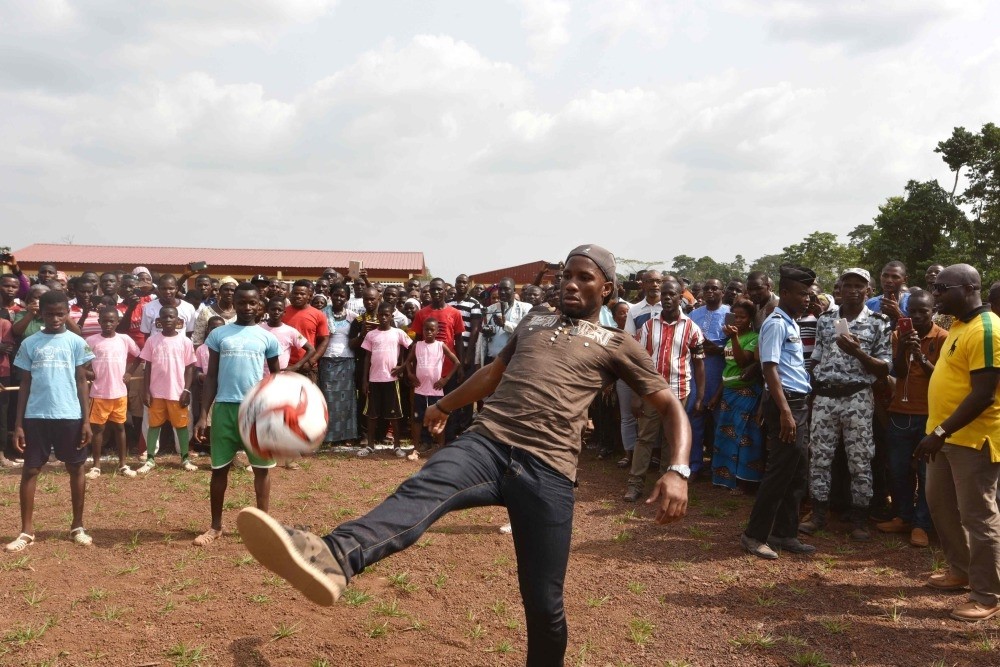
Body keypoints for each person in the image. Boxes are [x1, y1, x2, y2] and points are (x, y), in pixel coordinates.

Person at [236, 245, 691, 666]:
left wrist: (678, 469)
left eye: (584, 278)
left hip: (549, 470)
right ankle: (334, 555)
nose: (570, 284)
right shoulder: (533, 323)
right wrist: (444, 404)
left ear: (606, 288)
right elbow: (494, 372)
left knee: (543, 600)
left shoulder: (617, 344)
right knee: (422, 488)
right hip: (487, 442)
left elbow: (670, 405)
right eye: (566, 275)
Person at [915, 264, 1000, 622]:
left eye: (941, 288)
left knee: (978, 517)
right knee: (942, 507)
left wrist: (939, 432)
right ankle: (960, 570)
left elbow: (982, 393)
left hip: (972, 440)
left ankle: (987, 594)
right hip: (944, 438)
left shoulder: (987, 330)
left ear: (969, 288)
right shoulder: (959, 327)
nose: (935, 294)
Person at [799, 268, 891, 541]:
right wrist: (809, 386)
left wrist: (857, 352)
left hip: (858, 397)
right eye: (847, 285)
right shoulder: (826, 319)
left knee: (860, 459)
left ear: (869, 291)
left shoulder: (879, 321)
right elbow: (817, 355)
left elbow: (885, 367)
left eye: (859, 286)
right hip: (826, 396)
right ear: (839, 288)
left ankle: (860, 518)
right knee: (820, 457)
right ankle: (818, 514)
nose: (852, 290)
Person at [5, 290, 96, 552]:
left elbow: (82, 381)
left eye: (60, 313)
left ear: (67, 313)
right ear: (39, 314)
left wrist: (86, 421)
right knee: (31, 470)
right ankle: (26, 531)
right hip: (36, 416)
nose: (55, 318)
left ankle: (77, 526)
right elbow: (25, 384)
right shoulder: (30, 343)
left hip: (70, 415)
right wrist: (19, 424)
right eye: (49, 314)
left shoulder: (76, 342)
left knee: (76, 468)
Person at [193, 283, 280, 547]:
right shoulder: (220, 334)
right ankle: (215, 526)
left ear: (259, 306)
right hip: (225, 408)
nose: (247, 307)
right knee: (219, 469)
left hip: (256, 409)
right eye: (242, 302)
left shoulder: (268, 338)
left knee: (261, 470)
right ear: (233, 303)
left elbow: (276, 378)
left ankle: (264, 527)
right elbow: (210, 378)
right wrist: (202, 414)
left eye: (252, 303)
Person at [741, 265, 817, 560]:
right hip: (786, 405)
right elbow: (769, 368)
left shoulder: (791, 322)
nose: (807, 299)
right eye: (802, 294)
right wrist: (785, 412)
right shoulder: (776, 323)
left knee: (797, 473)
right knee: (778, 473)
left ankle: (785, 533)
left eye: (809, 294)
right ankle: (754, 535)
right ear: (784, 293)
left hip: (798, 404)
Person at [875, 290, 947, 547]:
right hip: (900, 413)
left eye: (923, 311)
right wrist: (904, 348)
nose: (916, 316)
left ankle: (922, 524)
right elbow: (899, 372)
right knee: (898, 470)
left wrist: (920, 354)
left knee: (928, 475)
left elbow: (941, 376)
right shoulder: (897, 335)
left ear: (932, 311)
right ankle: (903, 516)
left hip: (930, 415)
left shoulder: (943, 337)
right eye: (912, 311)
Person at [624, 277, 704, 501]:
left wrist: (701, 396)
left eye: (672, 294)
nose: (667, 298)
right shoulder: (648, 327)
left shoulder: (692, 328)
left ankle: (664, 483)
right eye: (664, 294)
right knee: (645, 438)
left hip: (680, 393)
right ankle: (634, 484)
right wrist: (637, 395)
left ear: (681, 297)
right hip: (652, 392)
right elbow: (639, 363)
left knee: (672, 439)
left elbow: (699, 364)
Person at [709, 300, 763, 494]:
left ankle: (744, 482)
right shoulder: (730, 339)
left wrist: (734, 338)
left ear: (750, 319)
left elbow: (742, 363)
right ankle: (724, 478)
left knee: (744, 438)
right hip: (729, 393)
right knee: (725, 436)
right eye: (735, 316)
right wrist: (716, 395)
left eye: (743, 317)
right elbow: (727, 369)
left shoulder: (754, 338)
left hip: (746, 393)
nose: (738, 320)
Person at [137, 306, 198, 474]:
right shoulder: (152, 341)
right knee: (153, 425)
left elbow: (190, 368)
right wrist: (146, 390)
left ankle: (185, 458)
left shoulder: (185, 341)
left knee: (181, 425)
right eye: (164, 317)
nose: (168, 320)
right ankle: (150, 459)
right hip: (156, 392)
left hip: (177, 392)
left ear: (179, 321)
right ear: (159, 321)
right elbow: (147, 367)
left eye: (171, 317)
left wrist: (186, 390)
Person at [84, 308, 141, 479]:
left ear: (117, 322)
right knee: (98, 429)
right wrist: (88, 372)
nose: (108, 324)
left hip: (119, 392)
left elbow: (138, 355)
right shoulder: (91, 340)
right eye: (105, 321)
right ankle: (96, 466)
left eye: (112, 321)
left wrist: (130, 372)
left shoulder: (124, 339)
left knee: (119, 427)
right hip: (99, 393)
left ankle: (123, 464)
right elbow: (80, 362)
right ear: (99, 322)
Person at [358, 302, 412, 458]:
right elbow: (367, 358)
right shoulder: (371, 335)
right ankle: (370, 445)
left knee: (394, 415)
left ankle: (397, 446)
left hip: (391, 379)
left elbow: (412, 348)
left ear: (391, 316)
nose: (383, 317)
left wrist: (403, 366)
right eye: (380, 315)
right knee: (371, 414)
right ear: (377, 316)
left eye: (386, 315)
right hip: (374, 379)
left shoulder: (398, 333)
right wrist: (365, 380)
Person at [402, 317, 462, 457]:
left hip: (436, 390)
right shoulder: (417, 346)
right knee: (417, 419)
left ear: (437, 331)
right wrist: (410, 374)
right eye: (425, 329)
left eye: (431, 329)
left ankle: (440, 447)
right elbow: (408, 362)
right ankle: (415, 448)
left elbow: (456, 362)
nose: (428, 332)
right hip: (420, 390)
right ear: (422, 330)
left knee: (438, 419)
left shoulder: (441, 345)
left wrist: (445, 380)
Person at [688, 278, 730, 474]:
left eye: (715, 288)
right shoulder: (693, 314)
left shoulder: (729, 314)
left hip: (721, 372)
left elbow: (738, 345)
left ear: (723, 292)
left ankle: (719, 467)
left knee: (720, 422)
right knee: (694, 417)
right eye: (707, 288)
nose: (711, 291)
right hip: (696, 372)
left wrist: (719, 349)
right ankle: (694, 465)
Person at [320, 284, 359, 446]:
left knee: (347, 400)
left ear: (347, 298)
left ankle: (346, 435)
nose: (338, 298)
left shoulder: (353, 316)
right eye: (336, 295)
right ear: (330, 295)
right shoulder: (322, 315)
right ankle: (328, 436)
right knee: (327, 399)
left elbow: (356, 338)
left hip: (346, 360)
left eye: (342, 296)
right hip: (327, 359)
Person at [448, 274, 483, 433]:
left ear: (468, 285)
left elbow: (475, 330)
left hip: (468, 350)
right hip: (450, 352)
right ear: (455, 284)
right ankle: (452, 426)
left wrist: (468, 355)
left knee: (466, 390)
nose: (461, 285)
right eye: (459, 282)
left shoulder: (475, 304)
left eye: (464, 282)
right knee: (451, 389)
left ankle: (465, 426)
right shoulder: (448, 303)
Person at [281, 279, 329, 382]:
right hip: (285, 366)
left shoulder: (318, 315)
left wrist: (311, 361)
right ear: (290, 294)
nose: (298, 296)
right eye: (295, 293)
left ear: (309, 296)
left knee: (308, 397)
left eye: (302, 294)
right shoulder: (282, 312)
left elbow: (324, 340)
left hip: (307, 367)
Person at [480, 277, 528, 365]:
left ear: (513, 290)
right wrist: (478, 362)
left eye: (506, 289)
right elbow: (482, 339)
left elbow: (525, 332)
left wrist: (505, 324)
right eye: (500, 289)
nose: (502, 292)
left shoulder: (526, 308)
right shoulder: (491, 309)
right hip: (492, 361)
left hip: (513, 362)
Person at [259, 298, 314, 375]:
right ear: (267, 310)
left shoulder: (291, 331)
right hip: (259, 375)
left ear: (284, 313)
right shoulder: (259, 329)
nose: (276, 312)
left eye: (279, 310)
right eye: (273, 309)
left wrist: (296, 366)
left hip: (281, 376)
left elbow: (311, 349)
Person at [140, 274, 198, 338]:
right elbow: (146, 334)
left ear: (176, 289)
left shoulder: (188, 308)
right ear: (159, 289)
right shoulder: (148, 307)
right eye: (164, 289)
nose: (167, 292)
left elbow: (189, 334)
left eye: (171, 288)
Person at [192, 277, 237, 346]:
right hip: (210, 353)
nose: (229, 293)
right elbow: (197, 339)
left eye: (232, 290)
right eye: (226, 289)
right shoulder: (206, 311)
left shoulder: (239, 313)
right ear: (220, 291)